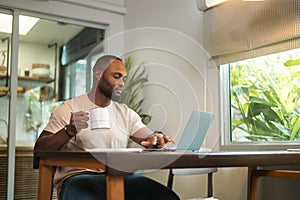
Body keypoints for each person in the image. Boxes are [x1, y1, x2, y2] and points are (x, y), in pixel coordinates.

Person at [34, 55, 180, 200]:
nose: (122, 83)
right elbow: (40, 149)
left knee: (167, 197)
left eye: (124, 78)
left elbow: (147, 137)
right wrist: (69, 131)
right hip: (79, 177)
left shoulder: (125, 113)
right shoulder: (68, 108)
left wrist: (156, 138)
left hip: (117, 174)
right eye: (117, 76)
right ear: (98, 74)